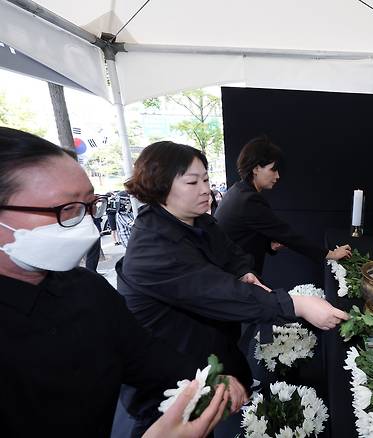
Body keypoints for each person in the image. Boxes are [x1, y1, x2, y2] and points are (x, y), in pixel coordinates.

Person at [0, 127, 230, 437]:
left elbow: (144, 356)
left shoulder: (87, 289)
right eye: (66, 210)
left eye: (89, 206)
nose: (86, 225)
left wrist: (209, 381)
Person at [116, 141, 349, 436]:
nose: (205, 189)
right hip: (165, 379)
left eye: (205, 179)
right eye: (192, 182)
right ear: (160, 186)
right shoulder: (153, 247)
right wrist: (297, 304)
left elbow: (231, 254)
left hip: (199, 357)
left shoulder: (197, 219)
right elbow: (216, 291)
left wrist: (245, 273)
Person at [214, 136, 351, 275]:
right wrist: (331, 254)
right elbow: (288, 235)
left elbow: (244, 237)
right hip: (235, 277)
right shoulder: (248, 200)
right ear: (256, 169)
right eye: (273, 169)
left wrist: (269, 245)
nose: (278, 176)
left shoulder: (237, 191)